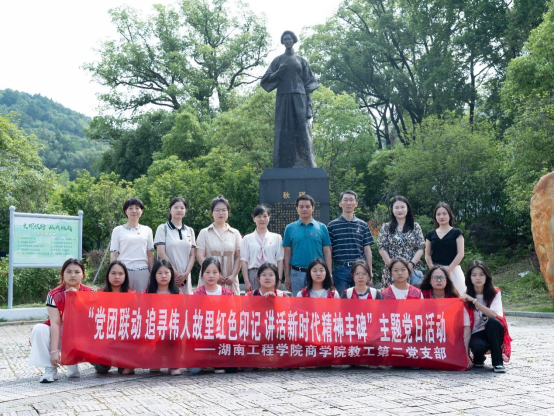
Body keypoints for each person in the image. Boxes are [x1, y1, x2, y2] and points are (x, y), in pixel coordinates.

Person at [28, 259, 94, 383]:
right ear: (62, 274)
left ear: (83, 275)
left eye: (77, 272)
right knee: (39, 329)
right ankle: (50, 368)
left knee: (75, 326)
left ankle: (72, 363)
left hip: (81, 335)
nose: (73, 275)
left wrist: (77, 299)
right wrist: (54, 351)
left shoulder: (91, 293)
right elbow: (55, 323)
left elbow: (90, 319)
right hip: (60, 333)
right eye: (68, 272)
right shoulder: (53, 295)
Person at [260, 30, 319, 168]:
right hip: (283, 98)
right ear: (283, 42)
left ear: (293, 40)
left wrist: (309, 106)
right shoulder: (277, 60)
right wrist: (278, 72)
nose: (287, 41)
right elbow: (265, 80)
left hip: (299, 97)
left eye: (289, 38)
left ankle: (307, 163)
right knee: (283, 129)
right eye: (285, 39)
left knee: (302, 129)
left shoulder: (301, 60)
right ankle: (282, 164)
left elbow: (308, 84)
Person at [461, 260, 512, 373]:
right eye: (474, 275)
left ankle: (498, 363)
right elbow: (467, 327)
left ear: (486, 276)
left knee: (493, 322)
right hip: (476, 333)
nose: (478, 278)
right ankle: (478, 357)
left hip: (494, 330)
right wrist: (466, 355)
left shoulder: (495, 293)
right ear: (469, 278)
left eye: (481, 274)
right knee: (479, 346)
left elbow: (493, 315)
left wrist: (474, 301)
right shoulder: (465, 297)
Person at [189, 258, 235, 375]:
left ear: (219, 274)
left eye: (215, 272)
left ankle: (217, 360)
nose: (211, 276)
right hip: (203, 338)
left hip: (222, 336)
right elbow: (193, 320)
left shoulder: (227, 294)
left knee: (232, 366)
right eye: (207, 272)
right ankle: (209, 359)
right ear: (202, 274)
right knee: (194, 370)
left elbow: (233, 317)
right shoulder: (196, 294)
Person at [421, 265, 472, 368]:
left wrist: (466, 355)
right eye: (435, 277)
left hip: (448, 337)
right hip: (428, 336)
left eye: (442, 277)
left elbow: (466, 326)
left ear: (447, 280)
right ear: (430, 281)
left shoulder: (455, 299)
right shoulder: (422, 296)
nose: (438, 280)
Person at [284, 194, 332, 296]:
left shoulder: (322, 227)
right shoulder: (290, 228)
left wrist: (329, 274)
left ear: (313, 208)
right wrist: (287, 276)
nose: (304, 209)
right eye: (301, 207)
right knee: (298, 303)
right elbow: (287, 253)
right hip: (297, 274)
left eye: (307, 206)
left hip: (317, 273)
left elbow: (327, 251)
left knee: (317, 303)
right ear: (296, 209)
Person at [92, 261, 135, 375]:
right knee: (102, 369)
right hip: (104, 339)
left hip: (124, 339)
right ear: (108, 275)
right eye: (113, 273)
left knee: (126, 370)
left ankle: (124, 360)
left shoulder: (132, 295)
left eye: (120, 274)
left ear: (125, 276)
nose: (117, 277)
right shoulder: (99, 294)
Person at [328, 190, 375, 294]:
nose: (348, 203)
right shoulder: (332, 226)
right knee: (342, 299)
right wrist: (329, 274)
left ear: (356, 204)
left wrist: (369, 273)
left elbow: (367, 251)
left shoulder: (363, 225)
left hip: (359, 269)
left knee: (360, 299)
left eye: (351, 200)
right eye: (345, 200)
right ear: (340, 204)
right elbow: (328, 252)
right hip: (340, 269)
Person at [196, 195, 242, 295]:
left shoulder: (235, 233)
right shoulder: (204, 232)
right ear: (212, 212)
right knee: (207, 304)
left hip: (229, 279)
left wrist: (233, 276)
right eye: (217, 210)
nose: (220, 213)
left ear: (228, 212)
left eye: (224, 210)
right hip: (209, 279)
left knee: (231, 304)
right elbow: (199, 255)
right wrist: (214, 273)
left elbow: (239, 257)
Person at [378, 196, 425, 288]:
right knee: (391, 295)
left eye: (402, 207)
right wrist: (392, 266)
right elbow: (381, 247)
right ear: (392, 210)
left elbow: (421, 247)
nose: (400, 210)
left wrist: (411, 265)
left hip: (412, 269)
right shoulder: (386, 227)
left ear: (407, 209)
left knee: (412, 295)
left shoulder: (415, 226)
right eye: (396, 207)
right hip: (392, 270)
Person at [145, 260, 182, 375]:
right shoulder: (147, 294)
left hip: (172, 332)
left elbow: (182, 317)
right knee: (154, 367)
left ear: (171, 274)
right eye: (160, 273)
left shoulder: (178, 294)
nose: (163, 276)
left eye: (166, 273)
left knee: (172, 334)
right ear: (154, 275)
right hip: (153, 331)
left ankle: (174, 363)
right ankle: (156, 359)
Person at [110, 198, 154, 293]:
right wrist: (112, 272)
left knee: (142, 299)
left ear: (141, 211)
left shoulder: (147, 230)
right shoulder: (117, 230)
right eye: (130, 208)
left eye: (137, 208)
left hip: (143, 271)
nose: (134, 211)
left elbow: (150, 254)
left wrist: (152, 273)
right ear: (125, 211)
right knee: (123, 299)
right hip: (123, 271)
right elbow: (114, 254)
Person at [154, 197, 196, 294]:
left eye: (182, 208)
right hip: (167, 275)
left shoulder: (190, 230)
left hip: (185, 276)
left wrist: (186, 274)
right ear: (170, 210)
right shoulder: (163, 228)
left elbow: (192, 255)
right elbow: (161, 253)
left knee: (186, 302)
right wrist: (174, 273)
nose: (179, 210)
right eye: (176, 207)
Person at [241, 205, 284, 293]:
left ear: (269, 218)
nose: (262, 219)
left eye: (265, 216)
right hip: (254, 273)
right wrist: (246, 281)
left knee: (271, 299)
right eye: (259, 216)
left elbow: (280, 260)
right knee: (254, 300)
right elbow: (244, 261)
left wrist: (279, 280)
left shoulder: (276, 237)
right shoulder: (247, 238)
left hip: (271, 274)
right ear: (254, 219)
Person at [425, 202, 466, 295]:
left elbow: (460, 254)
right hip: (435, 272)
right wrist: (432, 268)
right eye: (438, 214)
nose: (441, 216)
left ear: (449, 215)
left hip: (453, 270)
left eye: (444, 213)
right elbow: (427, 255)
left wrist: (448, 269)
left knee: (458, 297)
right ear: (435, 217)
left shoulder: (457, 232)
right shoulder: (430, 234)